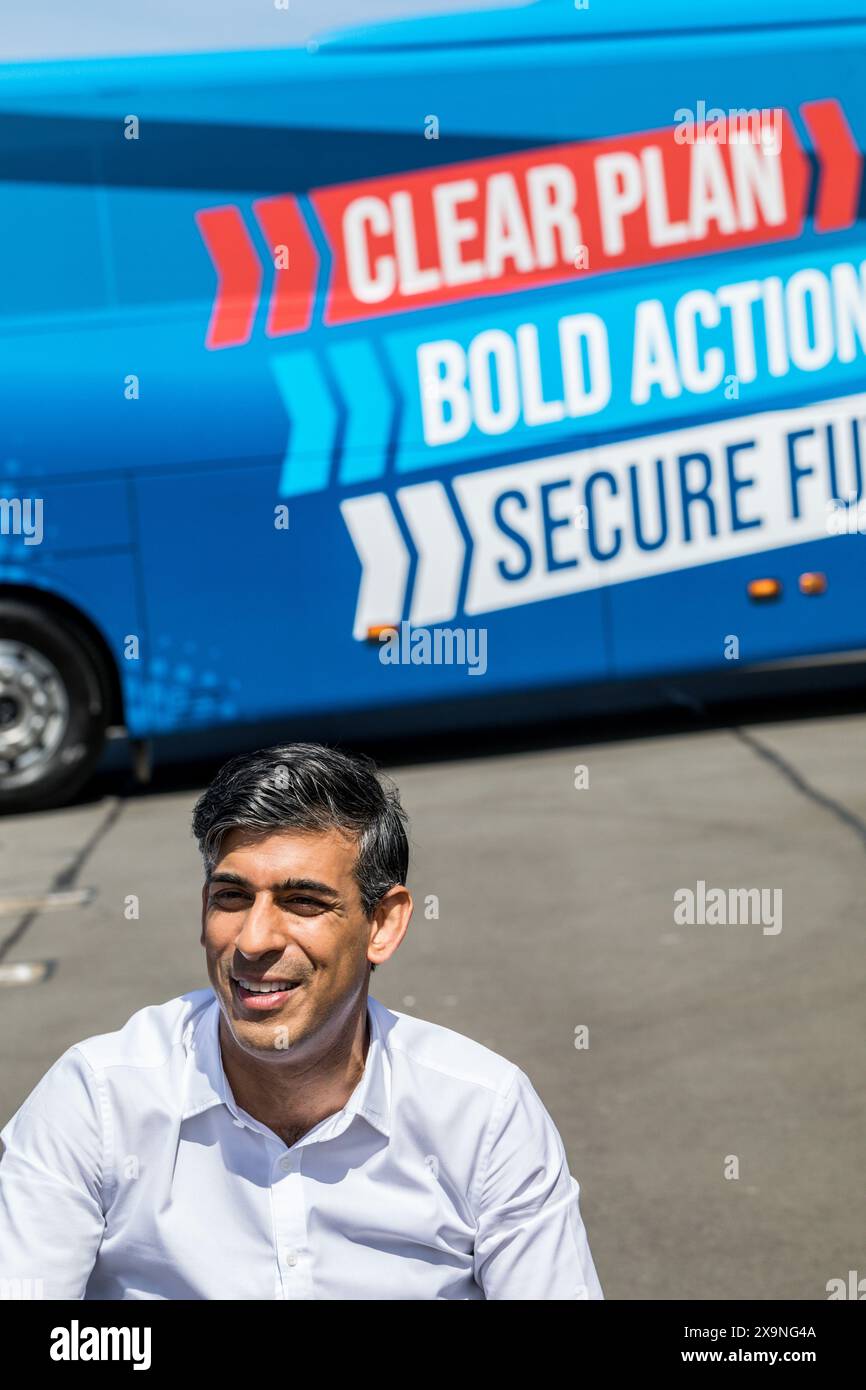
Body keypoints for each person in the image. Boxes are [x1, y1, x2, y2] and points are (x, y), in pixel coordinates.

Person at [0, 742, 603, 1300]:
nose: (254, 940)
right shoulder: (97, 1100)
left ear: (383, 924)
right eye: (232, 897)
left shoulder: (481, 1115)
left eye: (303, 902)